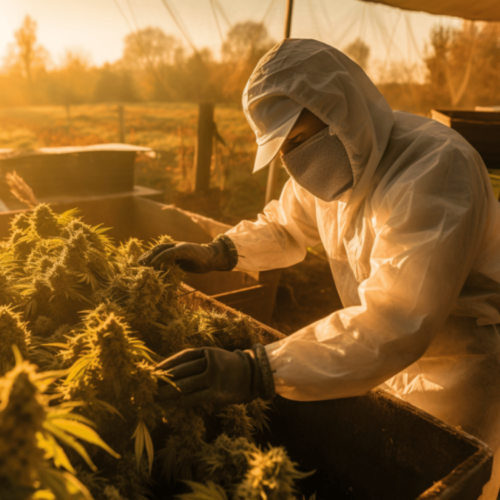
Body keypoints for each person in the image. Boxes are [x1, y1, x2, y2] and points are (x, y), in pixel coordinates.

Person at [139, 39, 500, 499]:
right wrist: (221, 252)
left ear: (340, 111)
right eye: (284, 149)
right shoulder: (338, 168)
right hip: (378, 354)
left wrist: (257, 369)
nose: (295, 160)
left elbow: (396, 318)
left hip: (458, 367)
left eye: (299, 139)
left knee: (446, 481)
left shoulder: (434, 167)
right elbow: (285, 225)